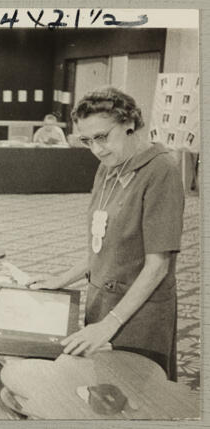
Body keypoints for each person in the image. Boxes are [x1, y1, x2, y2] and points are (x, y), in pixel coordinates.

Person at [32, 87, 184, 380]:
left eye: (102, 136)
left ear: (130, 124)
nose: (97, 149)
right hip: (102, 302)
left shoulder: (161, 170)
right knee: (100, 389)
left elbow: (158, 266)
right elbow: (101, 247)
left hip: (140, 312)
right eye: (87, 141)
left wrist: (109, 324)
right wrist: (60, 279)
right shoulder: (107, 166)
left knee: (138, 397)